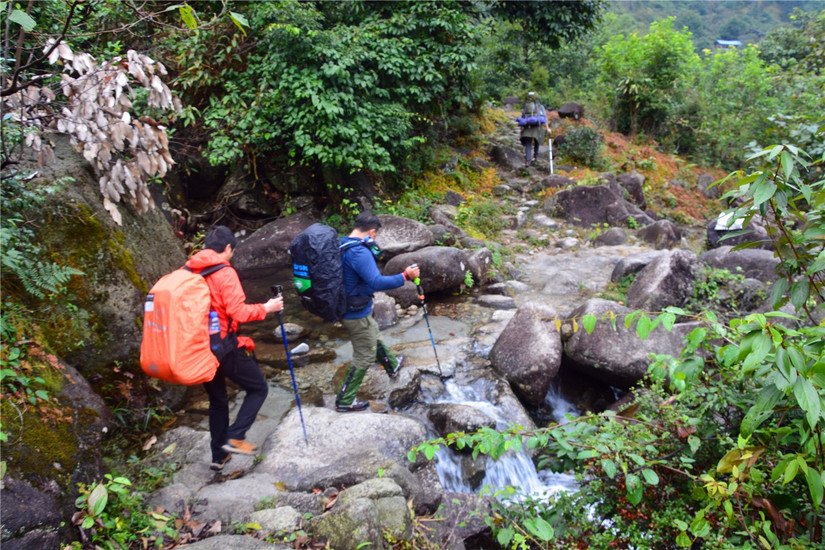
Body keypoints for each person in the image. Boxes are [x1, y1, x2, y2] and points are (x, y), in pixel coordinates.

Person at [185, 225, 284, 471]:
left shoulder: (190, 270)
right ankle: (235, 437)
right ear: (228, 248)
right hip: (224, 347)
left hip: (199, 346)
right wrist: (267, 308)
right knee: (259, 388)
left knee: (217, 400)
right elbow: (237, 312)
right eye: (232, 251)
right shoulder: (224, 273)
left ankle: (218, 456)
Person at [335, 211, 420, 412]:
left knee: (373, 332)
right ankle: (345, 400)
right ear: (372, 232)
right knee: (364, 355)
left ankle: (391, 365)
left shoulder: (342, 243)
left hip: (351, 306)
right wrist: (405, 276)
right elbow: (376, 282)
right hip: (353, 311)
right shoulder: (359, 252)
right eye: (376, 234)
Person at [519, 91, 552, 167]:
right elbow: (545, 118)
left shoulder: (526, 107)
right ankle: (535, 156)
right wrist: (547, 128)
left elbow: (523, 118)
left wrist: (522, 129)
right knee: (537, 140)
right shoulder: (541, 107)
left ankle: (527, 161)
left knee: (528, 143)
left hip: (528, 126)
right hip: (538, 127)